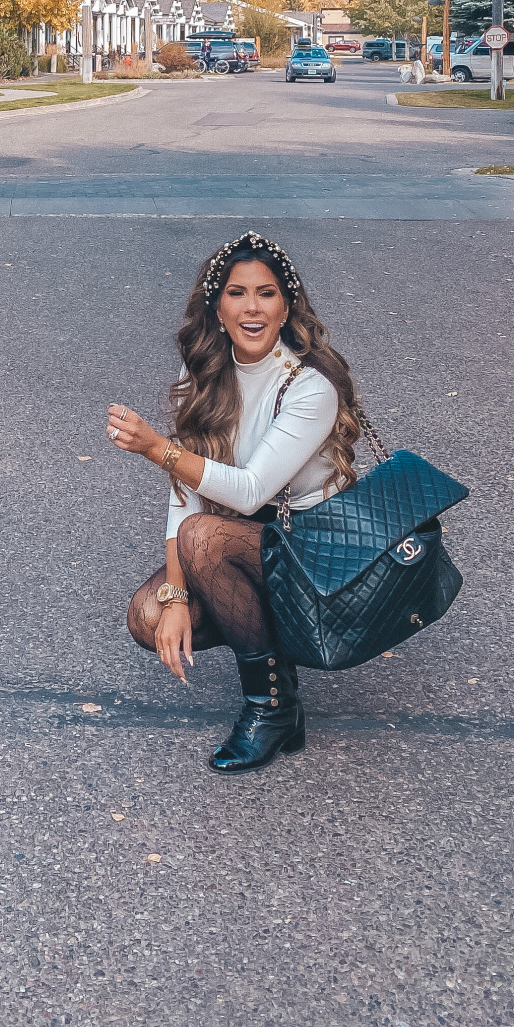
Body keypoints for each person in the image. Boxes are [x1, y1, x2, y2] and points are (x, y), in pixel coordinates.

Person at [108, 231, 363, 773]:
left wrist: (158, 448)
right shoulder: (204, 371)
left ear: (286, 305)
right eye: (237, 292)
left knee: (205, 537)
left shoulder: (309, 386)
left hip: (315, 547)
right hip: (246, 540)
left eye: (266, 293)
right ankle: (275, 657)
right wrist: (176, 594)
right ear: (216, 305)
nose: (252, 308)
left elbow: (249, 489)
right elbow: (187, 490)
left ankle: (269, 707)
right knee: (147, 617)